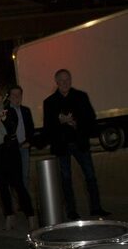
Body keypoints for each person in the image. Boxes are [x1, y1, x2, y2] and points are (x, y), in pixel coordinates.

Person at [43, 69, 110, 220]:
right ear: (57, 82)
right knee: (66, 179)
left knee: (90, 176)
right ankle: (71, 211)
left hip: (80, 143)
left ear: (71, 80)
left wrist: (76, 123)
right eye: (62, 80)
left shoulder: (81, 96)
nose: (65, 82)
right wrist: (60, 121)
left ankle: (96, 208)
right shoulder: (50, 102)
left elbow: (91, 118)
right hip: (62, 145)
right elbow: (47, 126)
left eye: (67, 79)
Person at [0, 88, 36, 230]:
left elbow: (12, 128)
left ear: (1, 97)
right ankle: (9, 215)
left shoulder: (9, 111)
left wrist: (3, 119)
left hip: (10, 153)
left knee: (18, 185)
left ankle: (31, 216)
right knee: (2, 187)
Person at [7, 85, 35, 188]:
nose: (16, 97)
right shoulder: (5, 112)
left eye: (19, 95)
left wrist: (29, 142)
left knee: (25, 175)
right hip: (11, 149)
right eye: (14, 95)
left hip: (24, 147)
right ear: (9, 97)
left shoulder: (26, 110)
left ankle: (25, 200)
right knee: (13, 176)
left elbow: (31, 129)